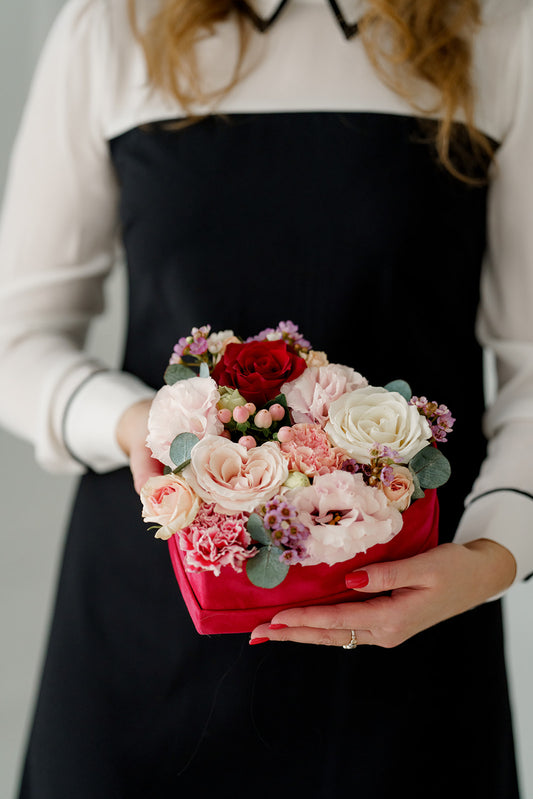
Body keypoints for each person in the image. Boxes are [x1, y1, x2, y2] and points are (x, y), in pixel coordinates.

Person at [0, 0, 531, 795]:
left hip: (409, 631)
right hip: (145, 636)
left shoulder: (499, 30)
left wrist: (492, 554)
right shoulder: (112, 26)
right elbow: (18, 336)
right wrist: (130, 421)